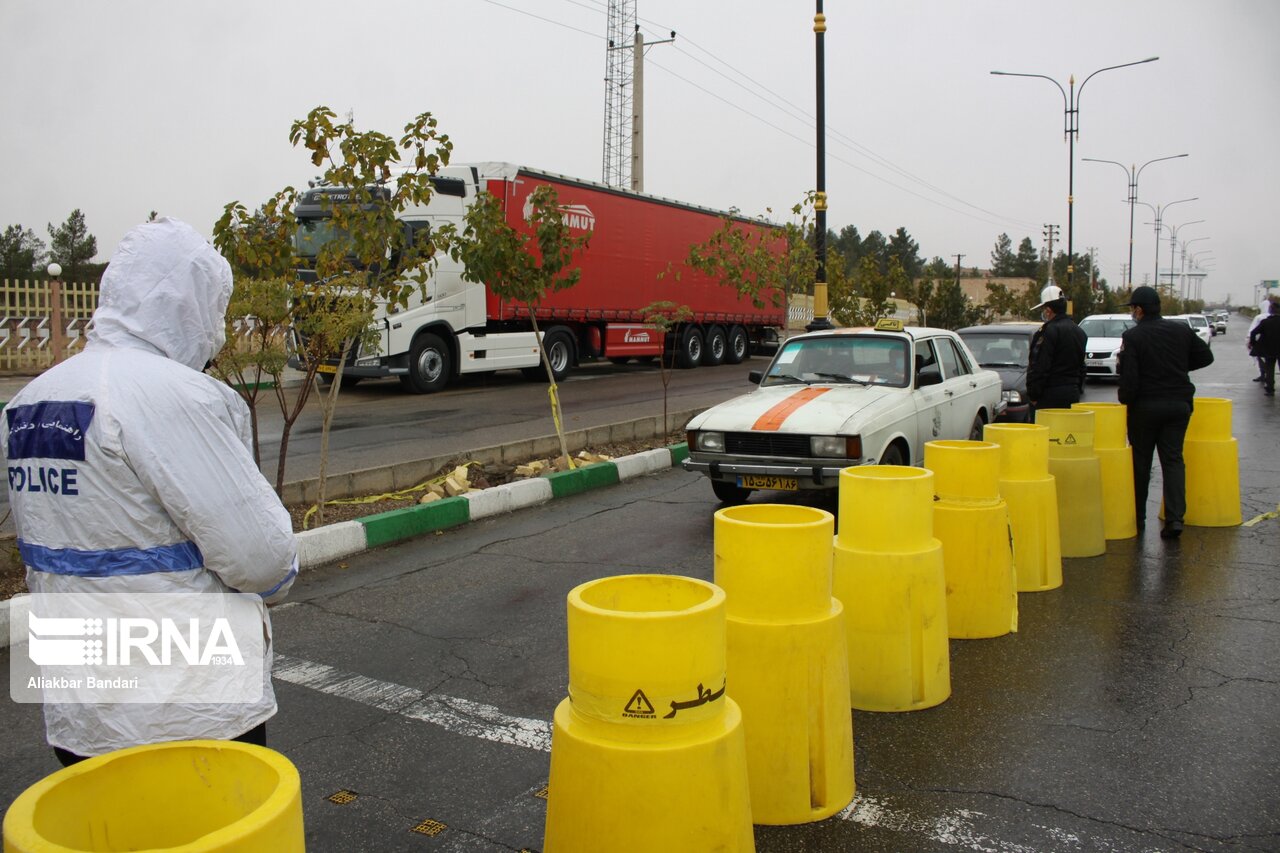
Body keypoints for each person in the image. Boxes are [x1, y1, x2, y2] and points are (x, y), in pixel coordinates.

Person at [1, 219, 298, 765]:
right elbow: (262, 560)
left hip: (81, 716)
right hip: (188, 710)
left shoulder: (32, 401)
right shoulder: (177, 396)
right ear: (191, 304)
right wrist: (277, 580)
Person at [1117, 285, 1214, 539]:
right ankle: (1175, 520)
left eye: (1132, 309)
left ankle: (1138, 519)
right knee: (1173, 460)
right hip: (1178, 405)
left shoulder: (1134, 337)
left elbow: (1130, 379)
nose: (1132, 314)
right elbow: (1206, 357)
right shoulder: (1180, 330)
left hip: (1145, 409)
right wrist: (1180, 367)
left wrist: (1125, 400)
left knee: (1141, 463)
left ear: (1139, 310)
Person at [1026, 284, 1088, 413]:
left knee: (1048, 432)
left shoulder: (1047, 331)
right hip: (1072, 393)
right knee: (1067, 432)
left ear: (1048, 310)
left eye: (1044, 309)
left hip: (1049, 395)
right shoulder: (1079, 332)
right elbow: (1082, 366)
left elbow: (1040, 366)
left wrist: (1033, 394)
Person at [1248, 299, 1280, 396]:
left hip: (1269, 350)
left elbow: (1253, 333)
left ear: (1270, 310)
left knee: (1270, 369)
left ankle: (1270, 389)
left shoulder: (1265, 322)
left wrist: (1254, 343)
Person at [1246, 299, 1271, 382]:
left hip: (1260, 343)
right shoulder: (1274, 316)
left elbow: (1252, 331)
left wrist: (1250, 341)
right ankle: (1269, 377)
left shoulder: (1259, 317)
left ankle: (1263, 374)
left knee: (1260, 359)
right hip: (1273, 343)